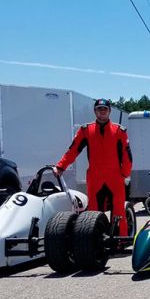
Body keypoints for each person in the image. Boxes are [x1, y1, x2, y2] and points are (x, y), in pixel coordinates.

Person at [53, 98, 133, 235]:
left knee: (118, 211)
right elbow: (73, 150)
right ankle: (94, 241)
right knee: (93, 213)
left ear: (109, 111)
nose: (102, 112)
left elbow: (127, 155)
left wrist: (124, 174)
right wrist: (61, 167)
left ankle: (121, 241)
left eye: (105, 109)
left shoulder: (119, 131)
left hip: (115, 177)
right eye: (99, 109)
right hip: (95, 178)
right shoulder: (86, 130)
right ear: (95, 112)